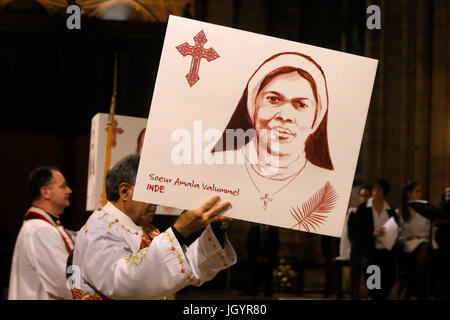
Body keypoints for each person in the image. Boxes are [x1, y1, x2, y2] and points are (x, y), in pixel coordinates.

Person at [68, 154, 236, 300]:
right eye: (150, 192)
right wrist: (179, 231)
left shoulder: (145, 229)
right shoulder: (98, 229)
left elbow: (185, 267)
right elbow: (122, 282)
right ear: (124, 192)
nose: (156, 202)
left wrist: (216, 227)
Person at [209, 52, 337, 231]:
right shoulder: (215, 167)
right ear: (253, 105)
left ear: (316, 118)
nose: (285, 116)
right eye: (274, 99)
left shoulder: (327, 187)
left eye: (301, 104)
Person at [8, 166, 75, 300]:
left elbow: (74, 237)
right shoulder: (39, 230)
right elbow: (64, 281)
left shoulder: (48, 226)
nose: (69, 190)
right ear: (45, 192)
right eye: (63, 186)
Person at [347, 178, 398, 300]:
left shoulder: (390, 210)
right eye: (374, 189)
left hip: (386, 250)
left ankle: (380, 297)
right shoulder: (363, 208)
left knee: (391, 272)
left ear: (384, 192)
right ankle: (375, 296)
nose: (376, 191)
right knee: (371, 269)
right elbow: (356, 233)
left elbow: (396, 228)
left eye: (379, 189)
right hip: (368, 251)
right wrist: (373, 233)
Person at [397, 181, 433, 299]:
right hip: (407, 245)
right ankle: (416, 290)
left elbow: (429, 229)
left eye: (420, 191)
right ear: (409, 193)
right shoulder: (400, 212)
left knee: (425, 247)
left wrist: (423, 236)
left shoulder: (424, 209)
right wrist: (409, 237)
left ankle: (413, 287)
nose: (420, 194)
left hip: (424, 243)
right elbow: (398, 233)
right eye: (417, 191)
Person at [244, 224, 279, 297]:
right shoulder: (253, 229)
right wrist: (257, 256)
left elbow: (276, 245)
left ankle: (268, 293)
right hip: (255, 259)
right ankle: (253, 292)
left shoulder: (274, 230)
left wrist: (268, 257)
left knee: (268, 279)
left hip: (269, 260)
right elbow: (249, 244)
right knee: (254, 278)